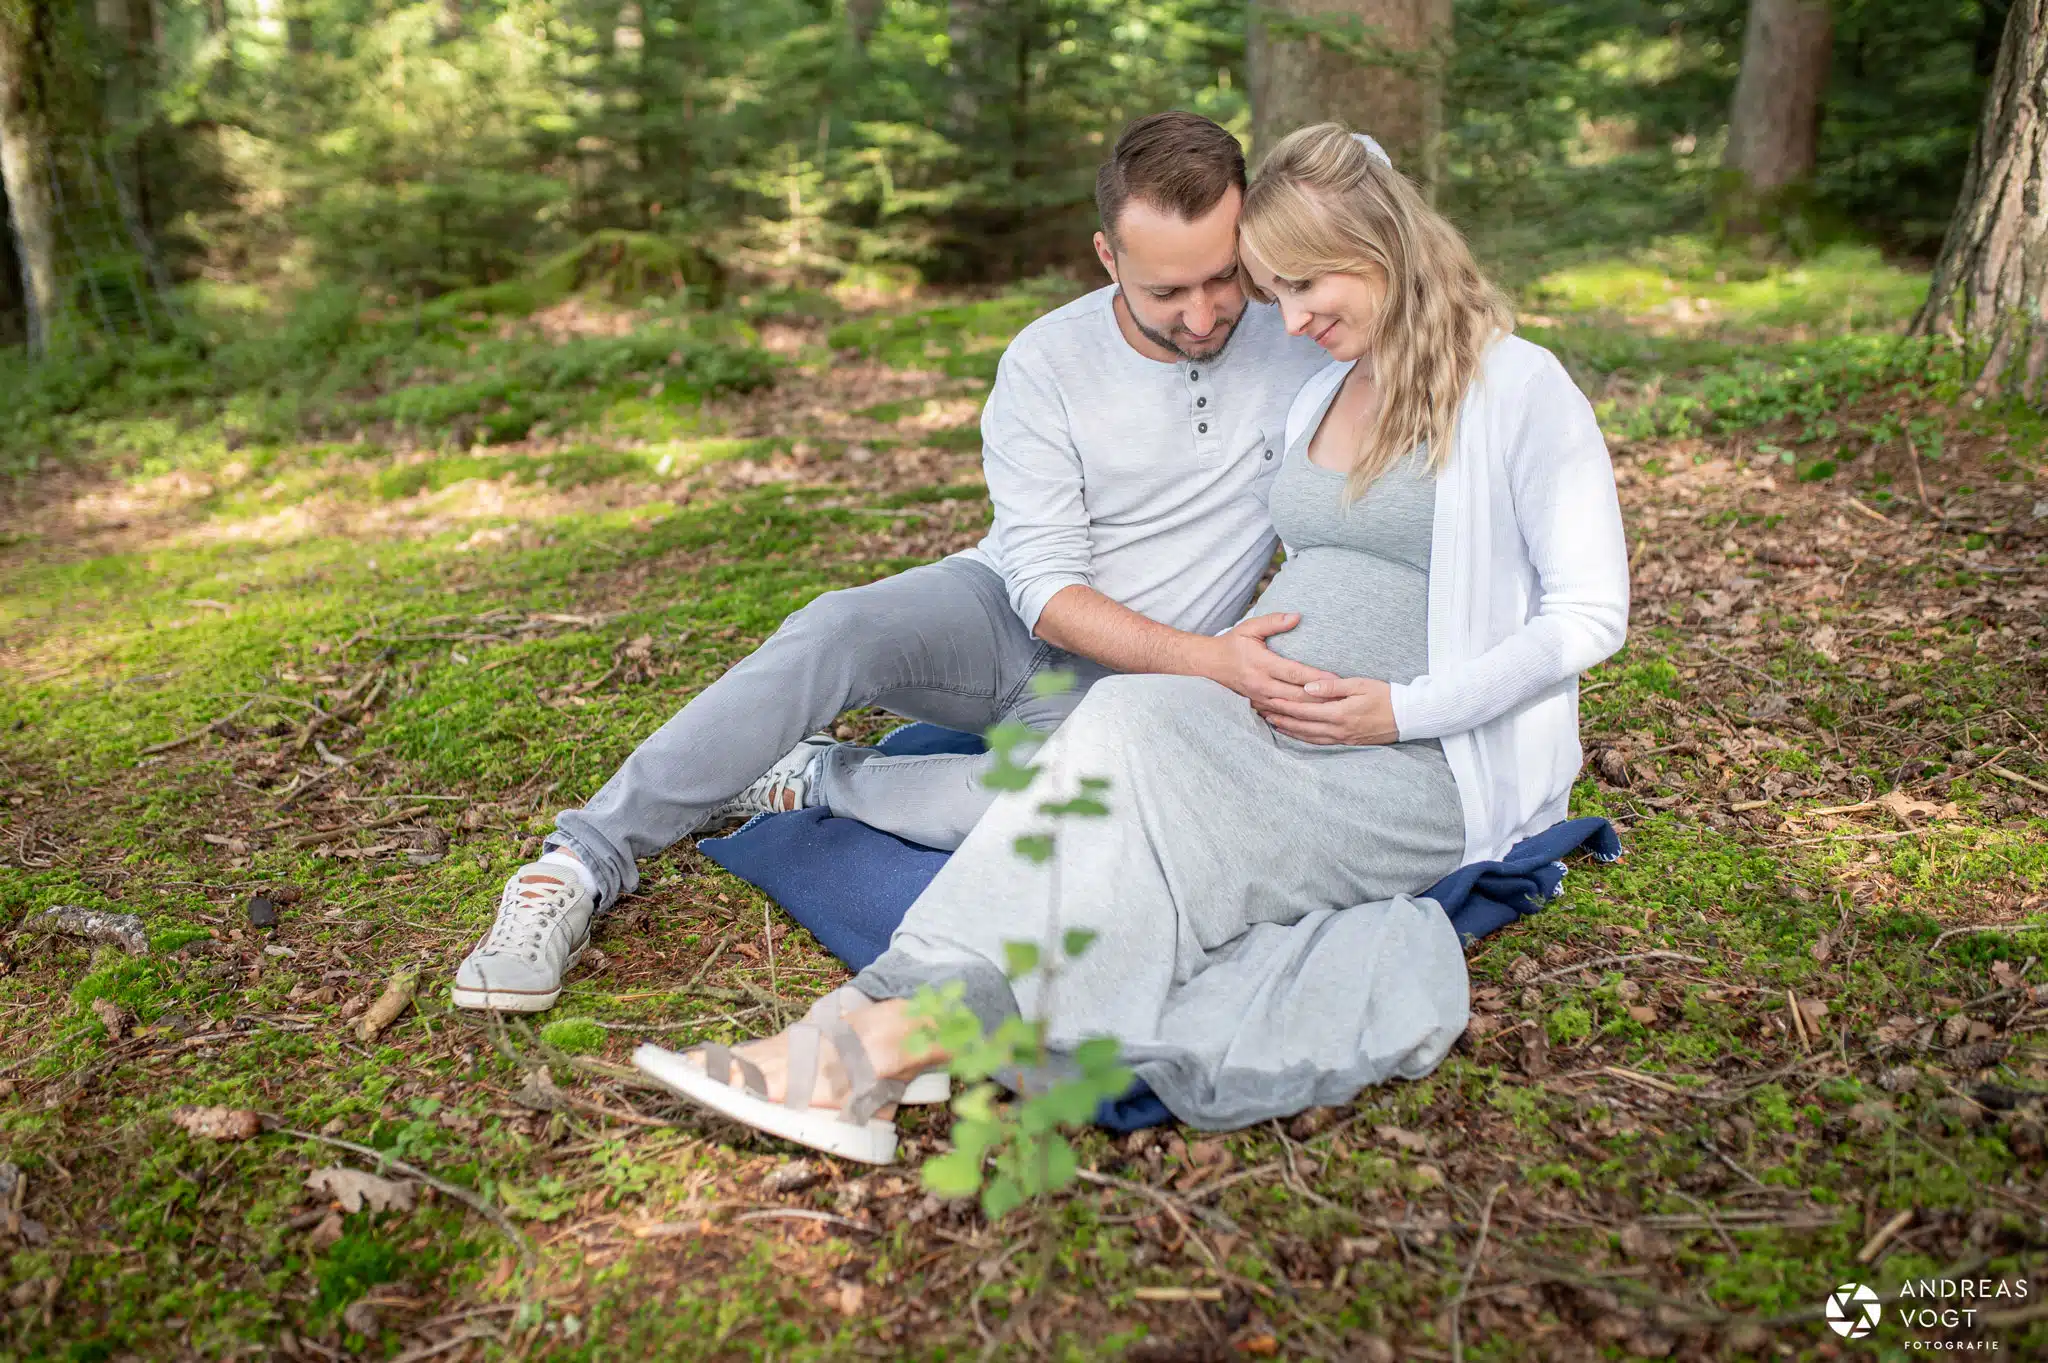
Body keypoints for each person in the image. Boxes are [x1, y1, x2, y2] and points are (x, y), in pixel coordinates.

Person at [632, 123, 1631, 1163]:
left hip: (1411, 764)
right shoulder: (1322, 383)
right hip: (1260, 719)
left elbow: (1587, 615)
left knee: (1123, 833)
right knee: (1120, 724)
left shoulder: (1518, 388)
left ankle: (865, 1048)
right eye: (1272, 290)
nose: (1285, 318)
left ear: (1378, 242)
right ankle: (871, 1033)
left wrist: (1398, 707)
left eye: (1299, 287)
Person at [451, 111, 1331, 1012]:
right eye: (1165, 290)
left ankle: (818, 776)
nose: (1202, 314)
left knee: (1047, 814)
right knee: (838, 627)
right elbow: (1043, 588)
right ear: (1108, 257)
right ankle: (576, 864)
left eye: (1223, 277)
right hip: (1005, 616)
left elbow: (1370, 192)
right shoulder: (1045, 362)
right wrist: (1210, 659)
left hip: (1127, 695)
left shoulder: (1303, 335)